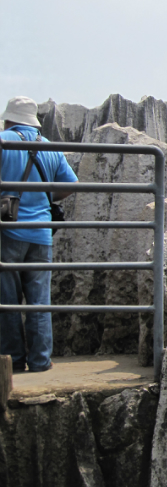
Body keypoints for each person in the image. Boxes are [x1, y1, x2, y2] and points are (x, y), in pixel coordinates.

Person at [0, 96, 77, 372]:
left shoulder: (3, 141)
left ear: (9, 118)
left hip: (8, 231)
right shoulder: (49, 148)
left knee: (6, 302)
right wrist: (45, 198)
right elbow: (71, 185)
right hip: (42, 235)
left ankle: (14, 361)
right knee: (39, 302)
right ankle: (41, 361)